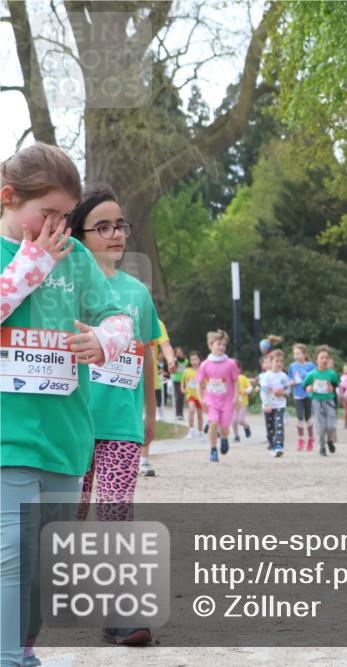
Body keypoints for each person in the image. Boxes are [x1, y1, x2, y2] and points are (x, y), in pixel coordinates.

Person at [1, 143, 134, 667]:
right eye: (48, 214)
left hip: (65, 438)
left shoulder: (76, 259)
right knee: (10, 553)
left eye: (65, 216)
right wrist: (32, 263)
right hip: (8, 435)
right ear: (9, 198)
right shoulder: (26, 253)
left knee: (42, 562)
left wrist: (106, 340)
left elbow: (118, 317)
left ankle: (24, 650)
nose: (57, 227)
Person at [67, 186, 159, 647]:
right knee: (68, 516)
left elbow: (146, 354)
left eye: (120, 224)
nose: (116, 234)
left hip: (121, 424)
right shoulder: (64, 285)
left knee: (116, 515)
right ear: (79, 234)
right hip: (73, 421)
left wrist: (149, 411)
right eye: (103, 226)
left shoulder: (138, 294)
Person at [196, 329, 240, 462]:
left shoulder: (231, 363)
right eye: (218, 344)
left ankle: (225, 438)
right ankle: (213, 450)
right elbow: (199, 383)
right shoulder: (205, 364)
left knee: (225, 426)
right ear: (210, 345)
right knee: (213, 422)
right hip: (211, 399)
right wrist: (201, 399)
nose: (221, 347)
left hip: (227, 400)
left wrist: (236, 397)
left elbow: (236, 380)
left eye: (224, 345)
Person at [143, 318, 174, 477]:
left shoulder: (156, 323)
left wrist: (170, 359)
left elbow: (165, 345)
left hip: (149, 379)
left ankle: (144, 459)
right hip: (125, 379)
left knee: (147, 419)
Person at [304, 345, 340, 456]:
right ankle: (322, 447)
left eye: (327, 357)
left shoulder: (332, 374)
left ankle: (329, 441)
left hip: (329, 401)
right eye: (322, 357)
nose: (325, 359)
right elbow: (304, 385)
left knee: (331, 426)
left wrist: (332, 388)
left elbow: (337, 384)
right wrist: (308, 388)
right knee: (321, 427)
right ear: (317, 360)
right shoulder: (312, 374)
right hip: (316, 401)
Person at [259, 349, 290, 457]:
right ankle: (272, 445)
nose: (279, 363)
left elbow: (288, 391)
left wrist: (283, 393)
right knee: (270, 428)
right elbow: (263, 392)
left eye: (281, 361)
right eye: (276, 361)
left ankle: (279, 446)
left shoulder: (284, 376)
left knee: (279, 425)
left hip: (280, 405)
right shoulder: (266, 376)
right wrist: (266, 404)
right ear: (271, 362)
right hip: (268, 406)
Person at [289, 343, 317, 452]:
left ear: (305, 354)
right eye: (294, 354)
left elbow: (314, 377)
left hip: (308, 394)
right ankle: (300, 439)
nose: (296, 356)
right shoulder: (292, 366)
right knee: (299, 417)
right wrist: (291, 381)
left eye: (298, 354)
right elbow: (290, 377)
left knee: (308, 417)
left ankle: (310, 438)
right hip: (297, 394)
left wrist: (306, 377)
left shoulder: (311, 366)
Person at [182, 351, 205, 439]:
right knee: (191, 410)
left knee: (200, 415)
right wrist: (183, 389)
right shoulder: (187, 371)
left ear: (199, 360)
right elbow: (183, 382)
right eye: (192, 360)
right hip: (190, 395)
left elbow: (205, 383)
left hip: (200, 396)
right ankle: (191, 430)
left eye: (196, 359)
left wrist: (203, 387)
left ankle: (200, 431)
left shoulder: (202, 371)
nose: (194, 361)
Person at [232, 360, 253, 443]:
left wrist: (246, 391)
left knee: (240, 420)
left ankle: (246, 427)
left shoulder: (242, 378)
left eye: (235, 368)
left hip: (243, 403)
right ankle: (236, 436)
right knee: (234, 421)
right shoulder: (229, 379)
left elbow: (250, 387)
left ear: (239, 369)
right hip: (233, 403)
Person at [171, 345, 188, 421]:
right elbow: (172, 370)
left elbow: (188, 369)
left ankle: (181, 414)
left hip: (183, 380)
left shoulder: (186, 361)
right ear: (175, 354)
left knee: (182, 397)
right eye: (177, 352)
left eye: (180, 352)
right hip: (176, 380)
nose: (179, 353)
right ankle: (177, 414)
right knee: (178, 397)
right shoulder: (174, 360)